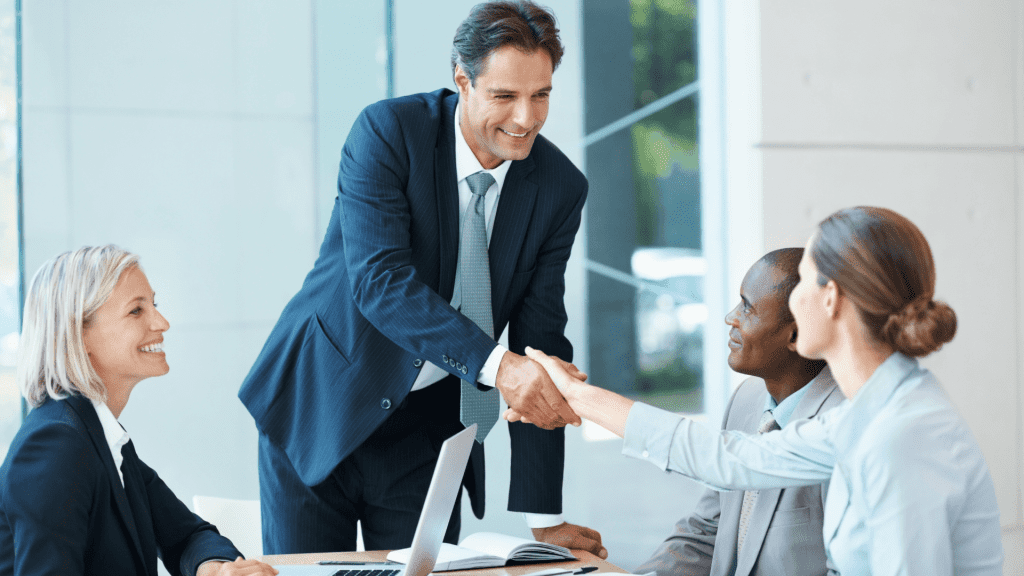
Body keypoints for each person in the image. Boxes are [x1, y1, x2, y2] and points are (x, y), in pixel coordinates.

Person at [238, 0, 604, 557]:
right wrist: (500, 368)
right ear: (462, 80)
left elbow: (541, 342)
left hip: (428, 431)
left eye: (541, 95)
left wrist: (544, 515)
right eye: (505, 96)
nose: (526, 118)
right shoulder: (389, 133)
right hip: (324, 396)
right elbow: (381, 282)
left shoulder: (558, 187)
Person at [514, 206, 1004, 575]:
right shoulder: (873, 414)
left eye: (803, 281)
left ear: (829, 298)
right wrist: (576, 396)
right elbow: (730, 459)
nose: (792, 297)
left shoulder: (903, 436)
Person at [0, 245, 279, 576]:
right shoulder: (54, 446)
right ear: (79, 334)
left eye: (154, 305)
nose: (162, 322)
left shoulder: (102, 439)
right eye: (136, 311)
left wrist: (214, 569)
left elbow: (187, 535)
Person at [635, 248, 843, 576]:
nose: (731, 317)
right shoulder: (746, 399)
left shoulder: (841, 424)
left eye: (747, 307)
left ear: (797, 334)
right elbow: (706, 531)